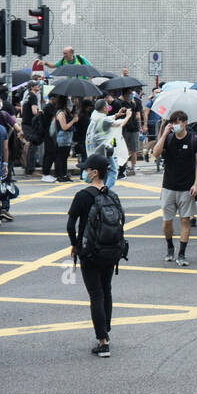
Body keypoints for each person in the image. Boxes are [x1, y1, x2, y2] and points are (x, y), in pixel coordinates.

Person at [67, 153, 126, 357]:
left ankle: (102, 341)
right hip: (110, 251)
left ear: (94, 173)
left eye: (86, 170)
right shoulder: (112, 195)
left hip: (90, 252)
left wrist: (74, 245)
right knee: (106, 290)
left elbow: (70, 224)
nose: (83, 173)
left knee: (96, 294)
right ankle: (105, 330)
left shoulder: (82, 196)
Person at [151, 111, 197, 266]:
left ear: (185, 123)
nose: (175, 125)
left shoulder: (194, 140)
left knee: (185, 220)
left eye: (178, 122)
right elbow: (155, 153)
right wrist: (164, 134)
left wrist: (196, 184)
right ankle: (170, 247)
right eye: (173, 122)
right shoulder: (169, 138)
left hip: (187, 187)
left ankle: (182, 253)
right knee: (167, 221)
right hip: (169, 186)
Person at [84, 95, 130, 189]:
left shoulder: (95, 116)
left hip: (97, 148)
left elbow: (107, 120)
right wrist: (128, 116)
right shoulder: (103, 119)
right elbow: (119, 124)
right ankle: (106, 190)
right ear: (104, 108)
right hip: (104, 149)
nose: (108, 108)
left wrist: (117, 114)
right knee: (113, 170)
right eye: (107, 106)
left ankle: (100, 187)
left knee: (102, 171)